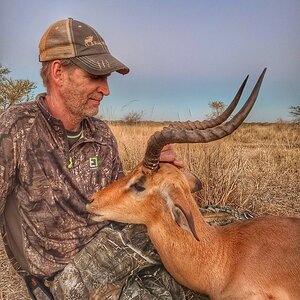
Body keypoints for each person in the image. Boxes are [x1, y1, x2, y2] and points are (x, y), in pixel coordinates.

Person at [0, 18, 206, 299]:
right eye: (95, 76)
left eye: (107, 78)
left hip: (115, 246)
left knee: (206, 244)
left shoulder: (101, 134)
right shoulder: (16, 127)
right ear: (59, 72)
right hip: (64, 273)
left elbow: (121, 199)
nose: (106, 89)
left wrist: (155, 171)